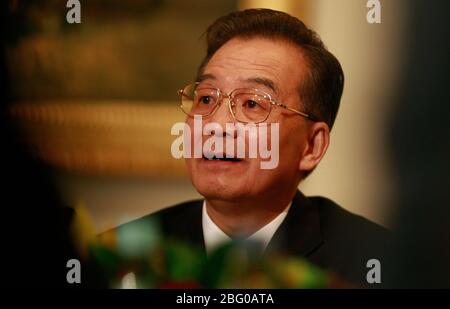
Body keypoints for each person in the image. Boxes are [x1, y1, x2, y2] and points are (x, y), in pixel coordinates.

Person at [107, 8, 389, 287]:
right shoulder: (122, 254)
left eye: (253, 104)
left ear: (312, 146)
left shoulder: (376, 264)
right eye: (206, 99)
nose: (217, 124)